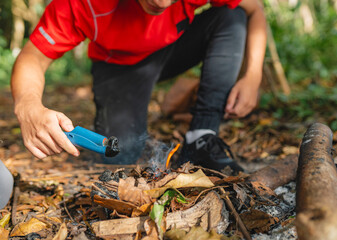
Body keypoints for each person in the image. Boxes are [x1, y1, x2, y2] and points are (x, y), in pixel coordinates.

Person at [11, 0, 266, 173]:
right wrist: (28, 106)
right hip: (119, 67)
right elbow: (33, 57)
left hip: (172, 47)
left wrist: (252, 76)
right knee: (121, 152)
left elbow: (254, 10)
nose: (162, 2)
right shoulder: (84, 3)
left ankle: (201, 138)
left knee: (231, 16)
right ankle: (174, 100)